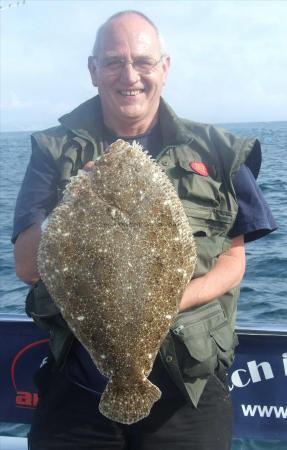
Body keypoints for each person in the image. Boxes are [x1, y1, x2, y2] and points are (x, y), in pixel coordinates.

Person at [13, 10, 276, 450]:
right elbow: (26, 266)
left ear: (164, 68)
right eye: (114, 61)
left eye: (143, 61)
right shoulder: (52, 151)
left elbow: (234, 260)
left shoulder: (220, 150)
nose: (129, 75)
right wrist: (71, 203)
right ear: (93, 70)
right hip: (77, 391)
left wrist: (166, 303)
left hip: (189, 394)